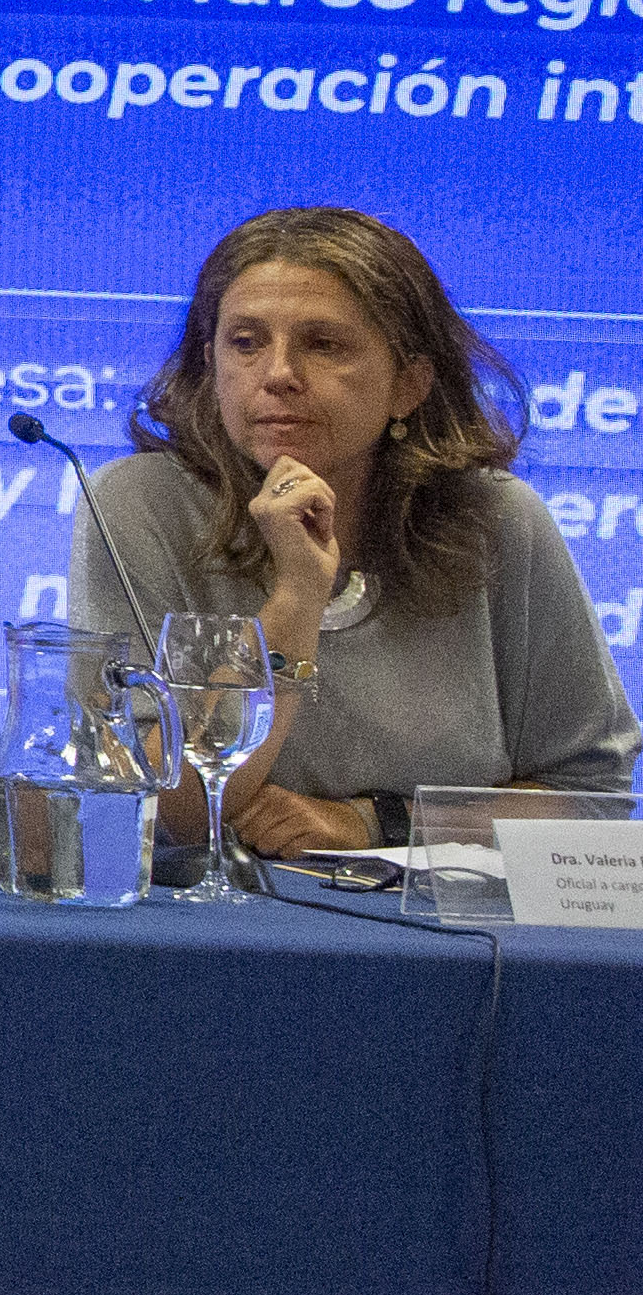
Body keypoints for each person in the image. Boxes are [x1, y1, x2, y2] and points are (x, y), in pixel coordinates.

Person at [68, 206, 635, 858]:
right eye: (246, 342)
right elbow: (178, 810)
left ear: (410, 383)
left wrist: (377, 823)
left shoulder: (497, 520)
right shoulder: (139, 504)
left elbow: (592, 798)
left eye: (323, 344)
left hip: (449, 936)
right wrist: (296, 597)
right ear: (210, 362)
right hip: (214, 929)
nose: (278, 373)